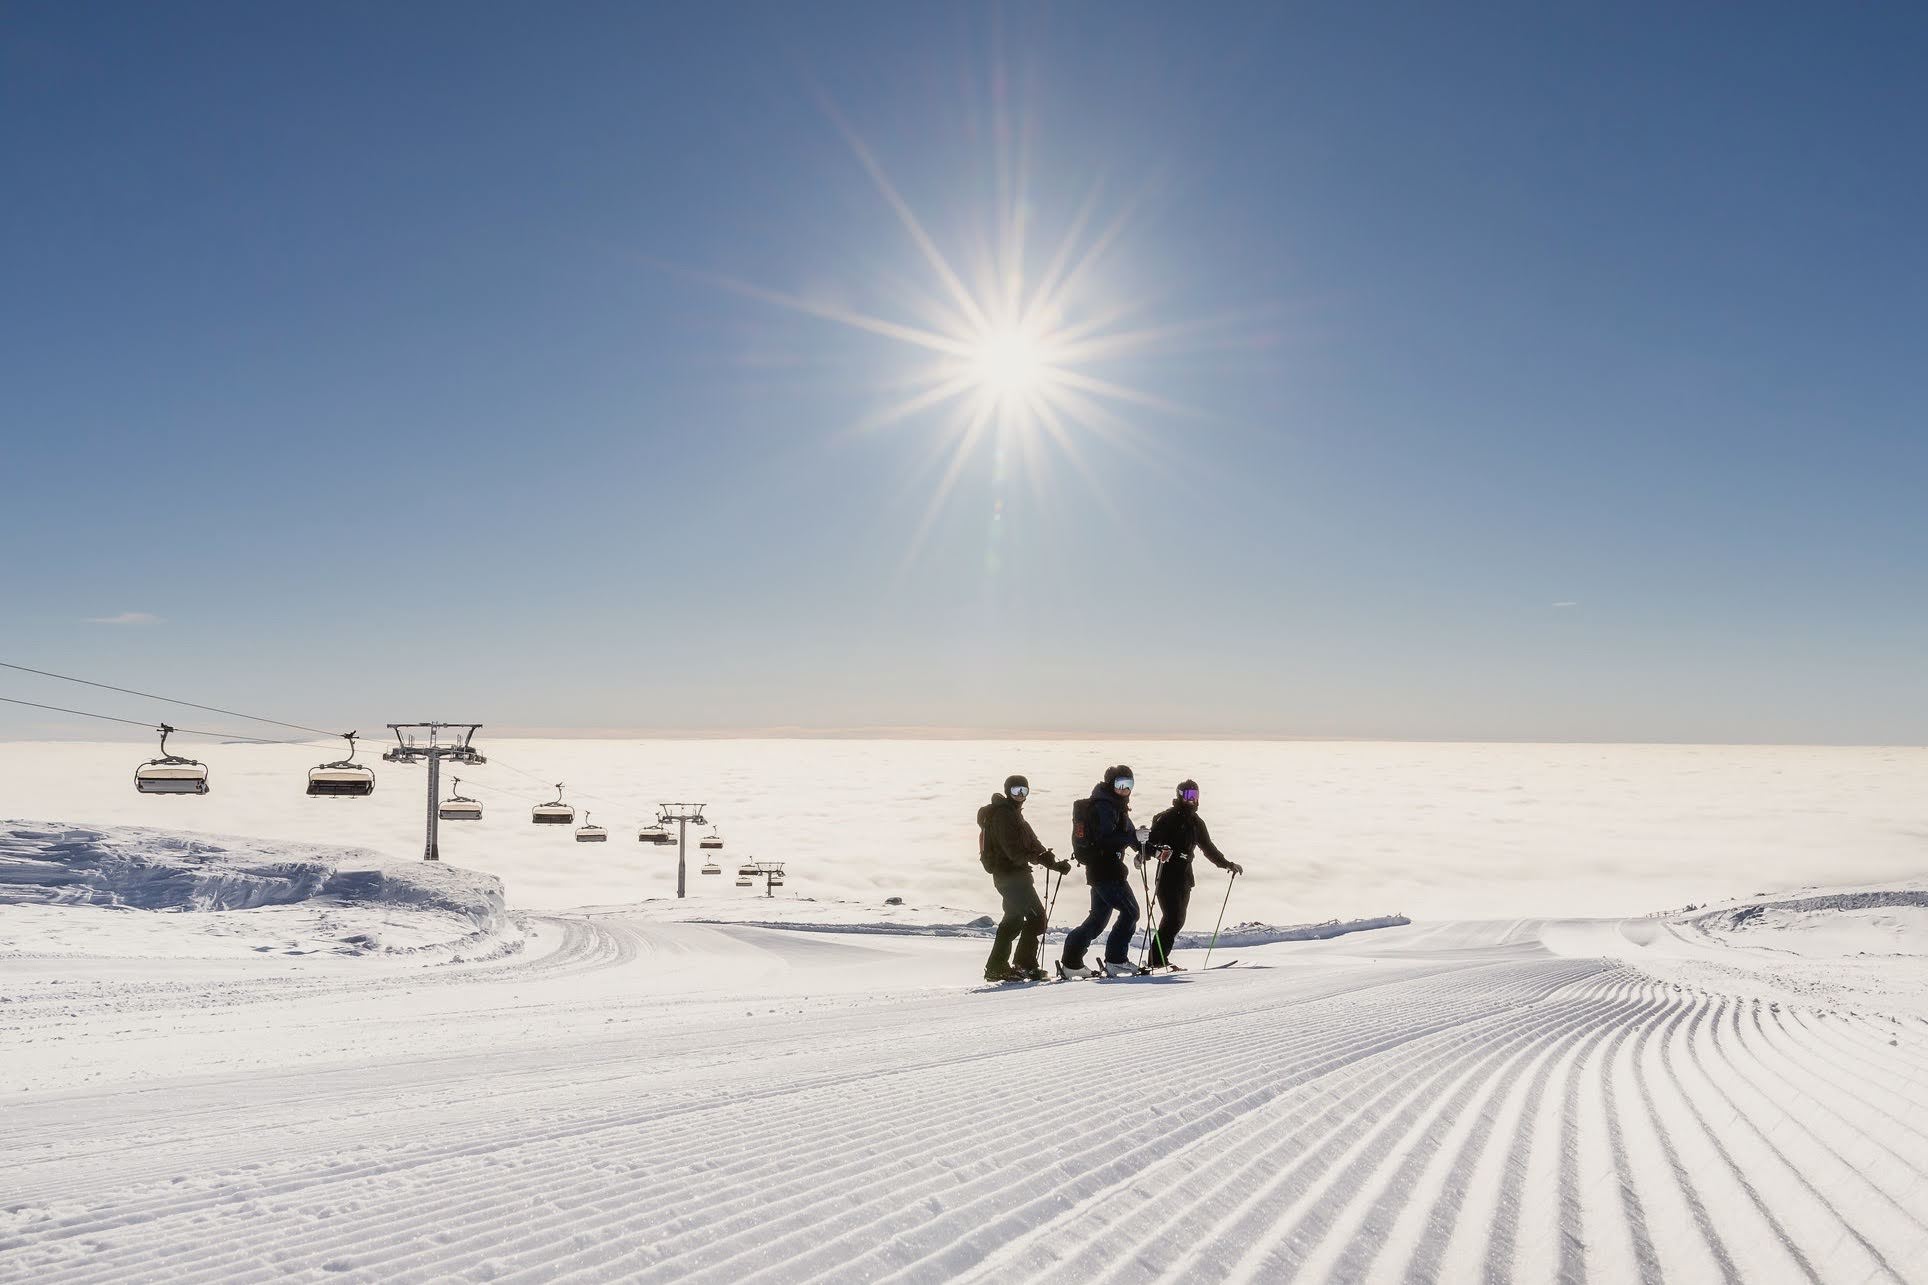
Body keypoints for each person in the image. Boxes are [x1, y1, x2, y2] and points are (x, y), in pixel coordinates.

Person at [978, 774, 1071, 982]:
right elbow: (1014, 852)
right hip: (1011, 877)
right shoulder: (1004, 816)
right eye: (1015, 791)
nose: (1020, 795)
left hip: (1011, 876)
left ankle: (996, 968)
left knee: (1013, 920)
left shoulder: (1015, 814)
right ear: (1007, 791)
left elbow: (1033, 843)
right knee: (1037, 919)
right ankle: (1024, 965)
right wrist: (1040, 858)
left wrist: (1053, 863)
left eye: (1024, 791)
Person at [1142, 778, 1243, 969]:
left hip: (1185, 877)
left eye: (1195, 795)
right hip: (1166, 874)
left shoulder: (1196, 822)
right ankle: (1156, 961)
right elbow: (1151, 843)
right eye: (1189, 795)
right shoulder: (1166, 818)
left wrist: (1227, 864)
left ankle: (1158, 960)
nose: (1193, 800)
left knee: (1178, 920)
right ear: (1180, 796)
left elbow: (1208, 848)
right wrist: (1148, 854)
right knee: (1171, 918)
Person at [1059, 764, 1146, 978]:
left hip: (1102, 870)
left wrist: (1146, 847)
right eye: (1120, 784)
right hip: (1106, 870)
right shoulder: (1104, 807)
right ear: (1110, 785)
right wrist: (1135, 839)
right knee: (1131, 912)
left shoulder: (1116, 806)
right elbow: (1105, 839)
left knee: (1098, 920)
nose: (1125, 789)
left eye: (1129, 784)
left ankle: (1072, 962)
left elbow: (1130, 834)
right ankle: (1116, 960)